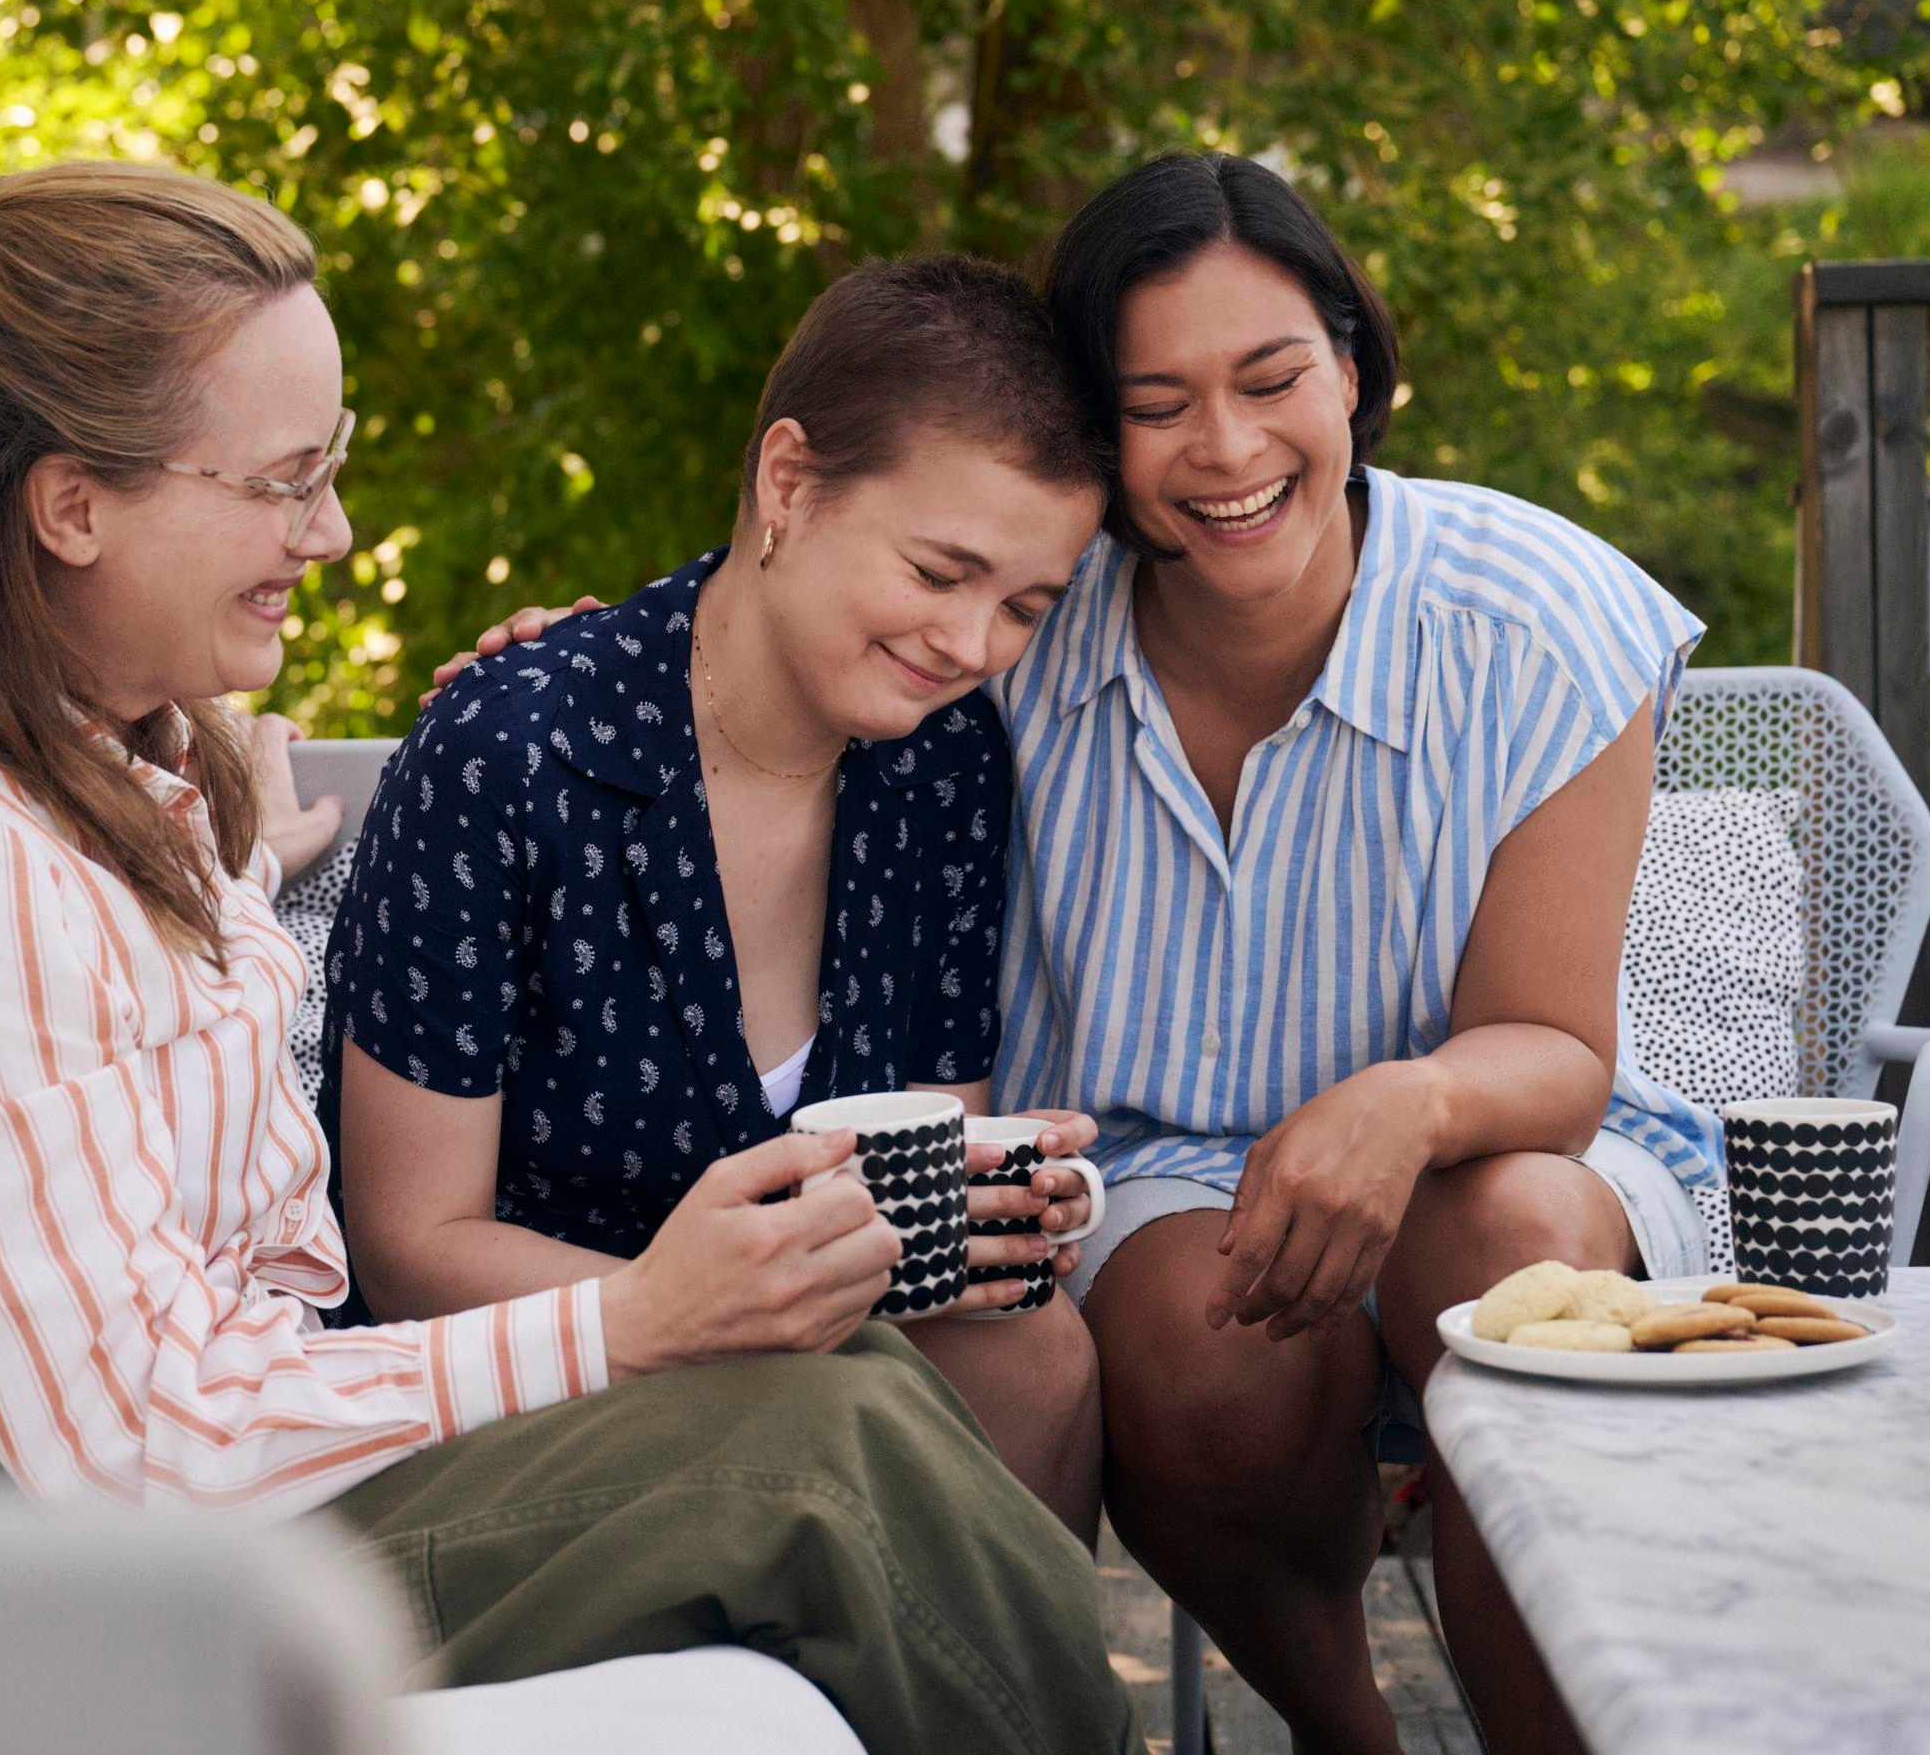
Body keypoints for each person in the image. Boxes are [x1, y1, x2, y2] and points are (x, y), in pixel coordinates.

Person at [0, 160, 1141, 1755]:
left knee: (870, 1392)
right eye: (285, 483)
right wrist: (634, 1320)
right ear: (71, 506)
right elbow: (141, 1451)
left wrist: (239, 869)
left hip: (143, 1508)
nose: (332, 534)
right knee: (808, 1461)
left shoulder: (101, 786)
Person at [435, 153, 1719, 1755]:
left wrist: (1406, 1103)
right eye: (1158, 404)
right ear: (1096, 442)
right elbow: (802, 616)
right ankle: (1349, 1729)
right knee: (1196, 1341)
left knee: (1511, 1236)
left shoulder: (1539, 621)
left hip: (1498, 1136)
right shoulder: (1019, 619)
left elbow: (1558, 1052)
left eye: (1273, 379)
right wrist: (574, 671)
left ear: (1353, 367)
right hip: (1162, 1171)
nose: (1228, 448)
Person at [325, 257, 1113, 1538]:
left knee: (1035, 1351)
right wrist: (719, 1308)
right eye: (937, 572)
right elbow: (410, 1249)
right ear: (788, 482)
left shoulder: (946, 760)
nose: (972, 646)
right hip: (531, 1368)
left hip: (827, 1348)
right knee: (843, 1405)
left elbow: (925, 1149)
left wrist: (996, 1216)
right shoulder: (514, 751)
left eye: (1024, 606)